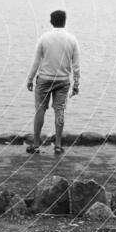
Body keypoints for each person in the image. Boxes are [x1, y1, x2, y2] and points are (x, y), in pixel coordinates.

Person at [26, 10, 80, 154]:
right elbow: (76, 65)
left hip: (44, 79)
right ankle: (58, 145)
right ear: (65, 21)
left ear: (51, 22)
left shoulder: (44, 38)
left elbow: (36, 62)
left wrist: (30, 79)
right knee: (60, 111)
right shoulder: (72, 39)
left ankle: (36, 144)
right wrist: (76, 83)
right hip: (63, 81)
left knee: (40, 111)